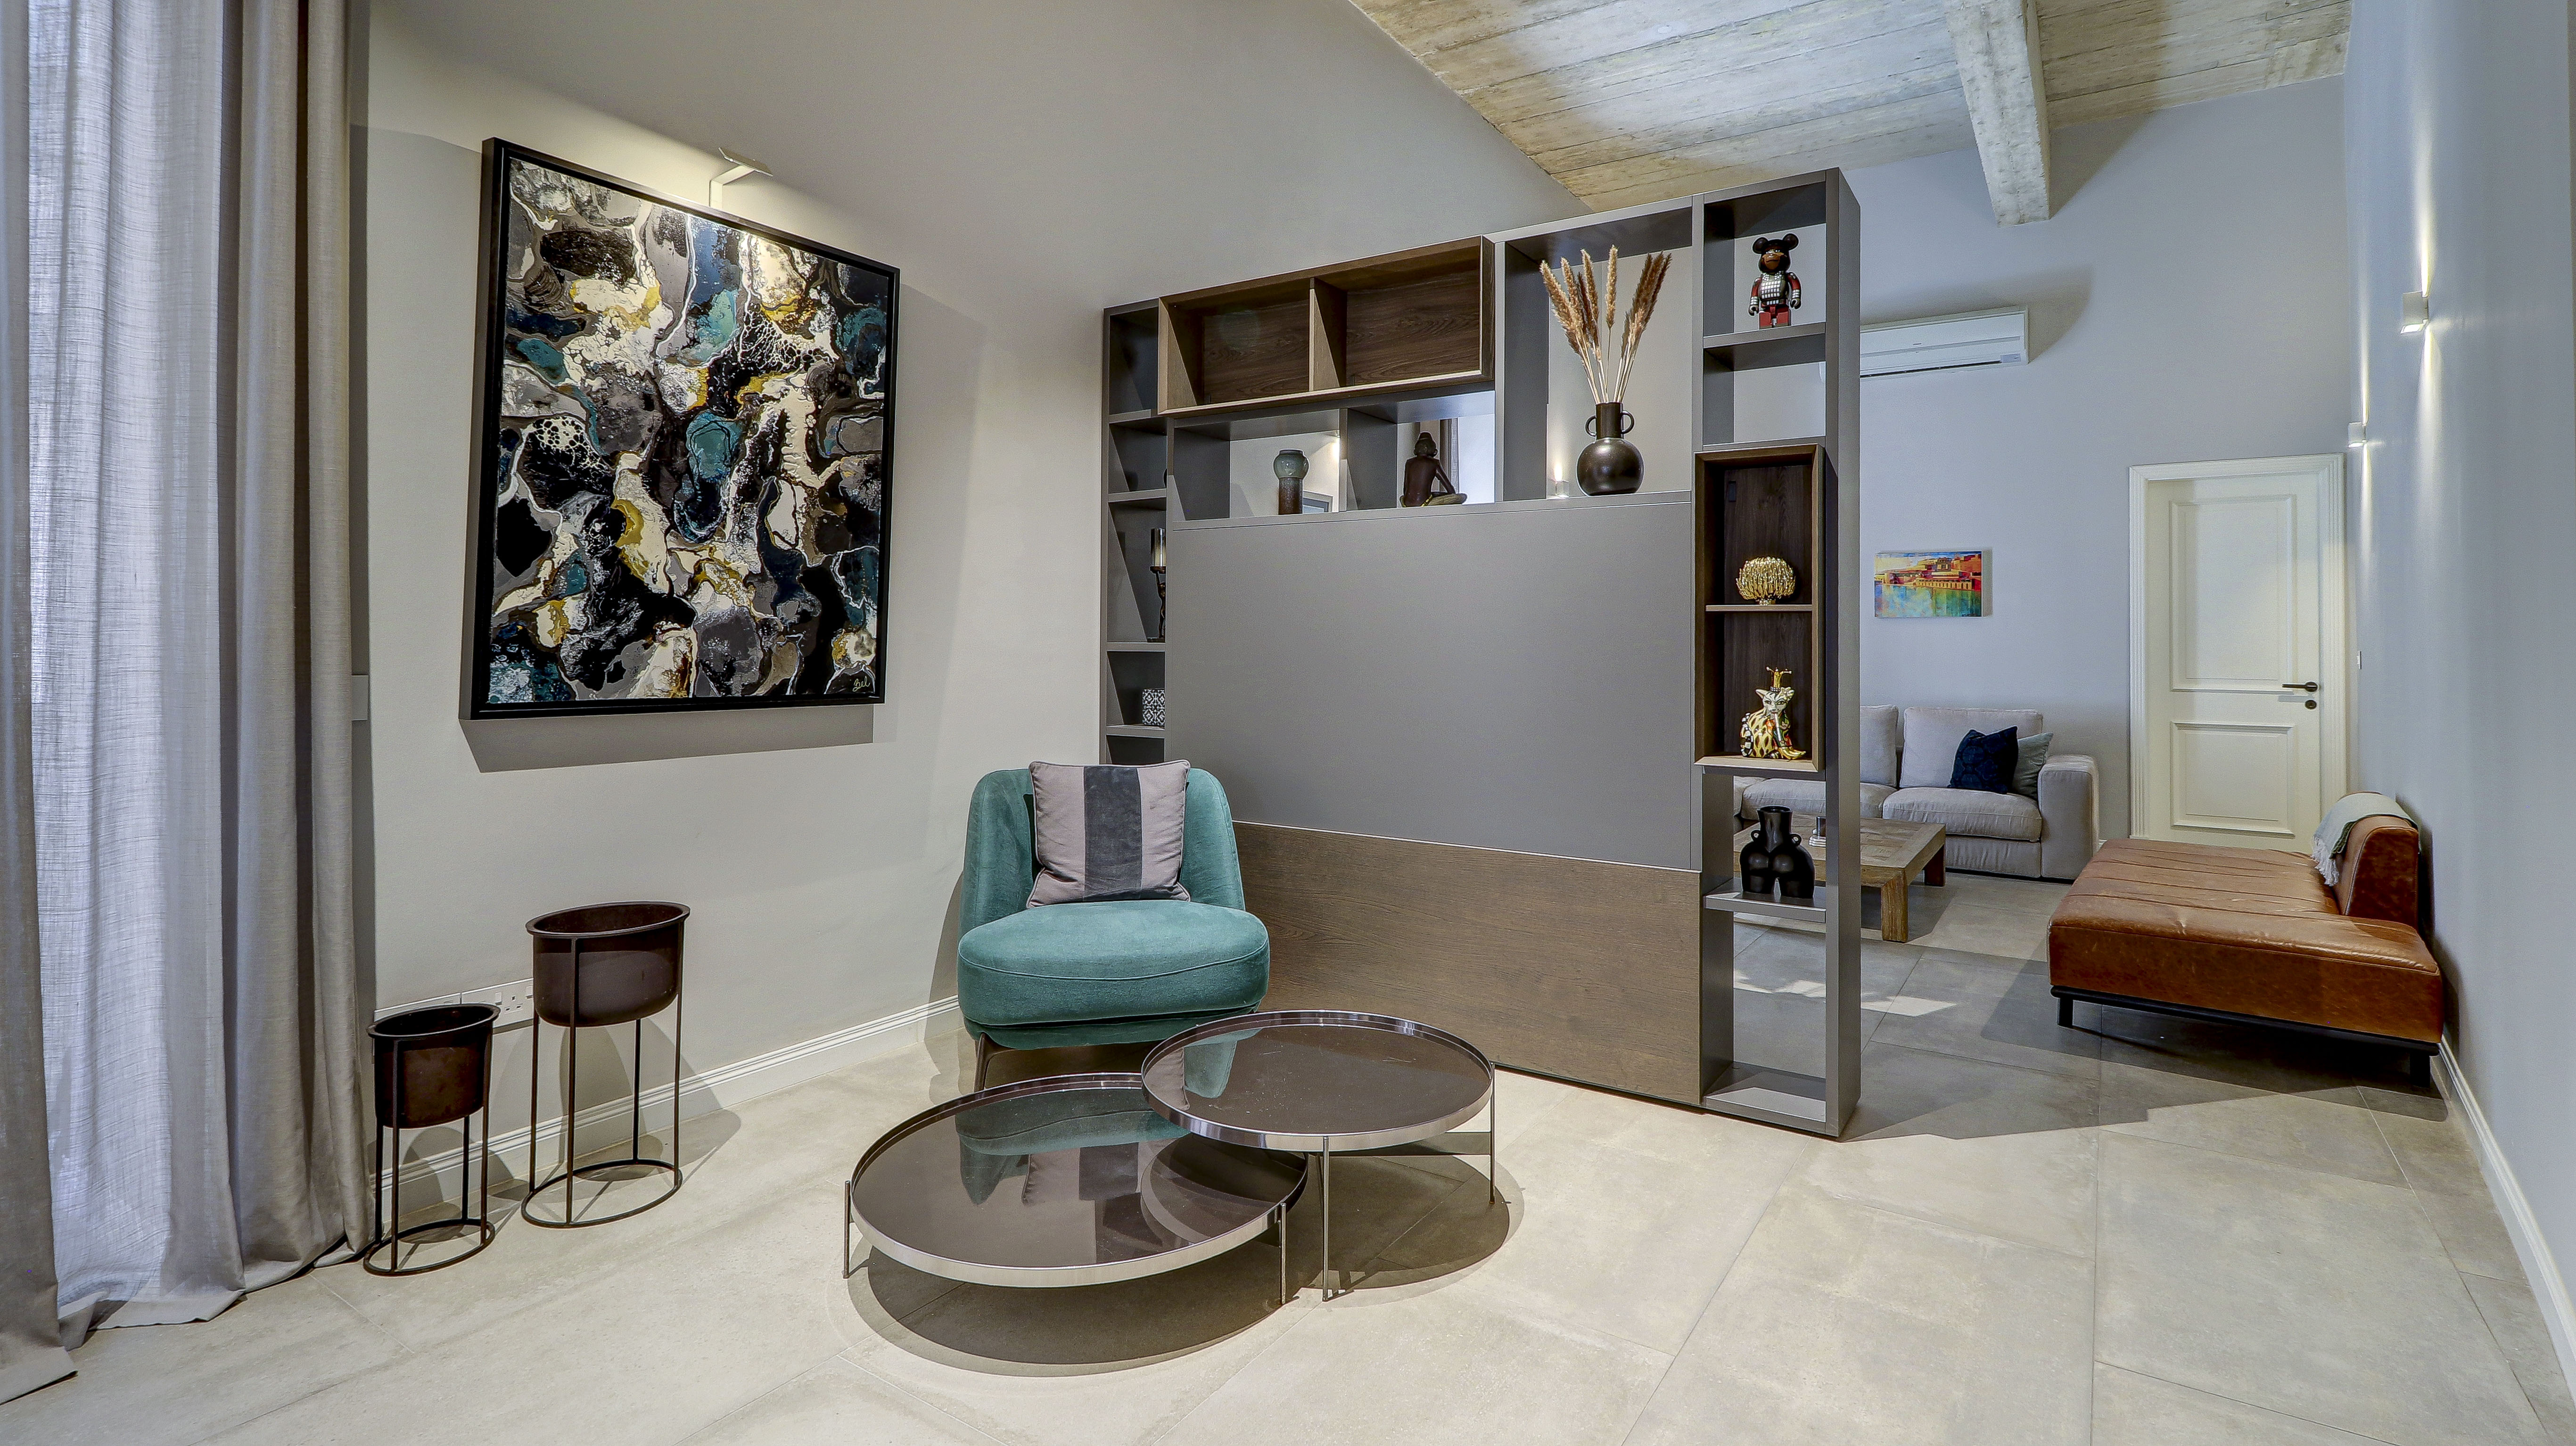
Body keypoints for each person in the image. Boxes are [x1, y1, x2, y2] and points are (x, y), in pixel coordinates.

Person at [1401, 432, 1462, 506]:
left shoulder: (1409, 463)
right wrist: (1438, 495)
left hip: (1406, 503)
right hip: (1424, 502)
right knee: (1462, 497)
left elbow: (1405, 490)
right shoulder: (1434, 463)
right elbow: (1451, 491)